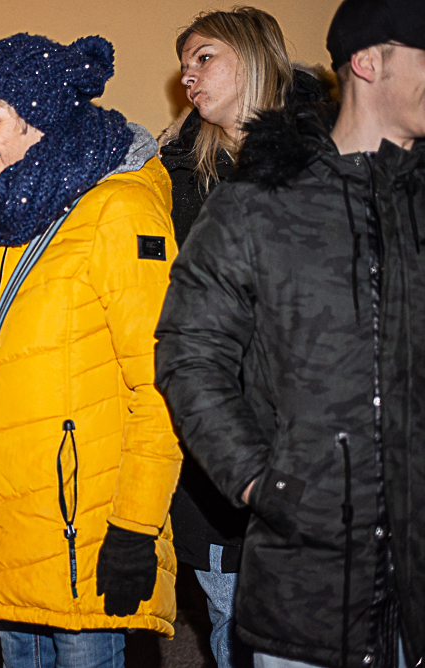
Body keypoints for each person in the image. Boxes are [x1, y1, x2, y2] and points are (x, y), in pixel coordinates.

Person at [154, 0, 425, 665]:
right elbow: (189, 352)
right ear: (369, 63)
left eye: (205, 57)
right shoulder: (238, 198)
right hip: (296, 564)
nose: (189, 76)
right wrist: (258, 480)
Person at [0, 33, 181, 667]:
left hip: (86, 533)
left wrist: (136, 526)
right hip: (7, 530)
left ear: (39, 118)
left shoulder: (120, 211)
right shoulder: (5, 220)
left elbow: (162, 385)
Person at [156, 9, 326, 668]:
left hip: (313, 428)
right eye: (184, 64)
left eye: (205, 57)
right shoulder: (176, 178)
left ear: (255, 57)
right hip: (216, 439)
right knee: (232, 621)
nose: (188, 75)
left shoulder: (332, 160)